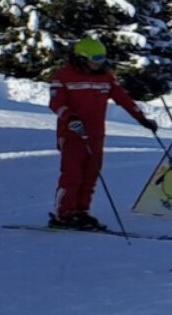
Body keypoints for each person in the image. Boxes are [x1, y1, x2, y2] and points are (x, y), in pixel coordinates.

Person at [46, 37, 160, 229]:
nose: (98, 63)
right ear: (82, 58)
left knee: (91, 174)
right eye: (95, 59)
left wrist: (141, 119)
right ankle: (63, 215)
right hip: (73, 133)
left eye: (101, 59)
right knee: (72, 175)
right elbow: (56, 103)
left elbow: (123, 98)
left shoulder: (105, 77)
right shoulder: (64, 76)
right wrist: (70, 119)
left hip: (96, 133)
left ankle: (81, 212)